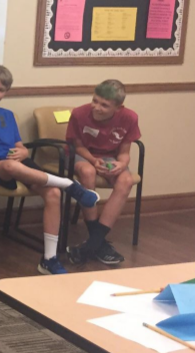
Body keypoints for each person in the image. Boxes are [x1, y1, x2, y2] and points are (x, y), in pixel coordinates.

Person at [0, 19, 99, 274]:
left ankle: (49, 259)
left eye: (2, 89)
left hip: (19, 162)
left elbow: (18, 144)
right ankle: (69, 184)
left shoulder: (7, 115)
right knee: (10, 166)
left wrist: (24, 150)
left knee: (52, 194)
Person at [67, 79, 141, 266]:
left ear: (118, 108)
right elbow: (78, 146)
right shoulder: (79, 113)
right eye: (95, 101)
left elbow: (124, 152)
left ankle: (92, 244)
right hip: (83, 155)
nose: (97, 107)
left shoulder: (130, 118)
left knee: (126, 180)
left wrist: (121, 165)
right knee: (88, 172)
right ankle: (97, 242)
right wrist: (93, 161)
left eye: (104, 105)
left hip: (110, 157)